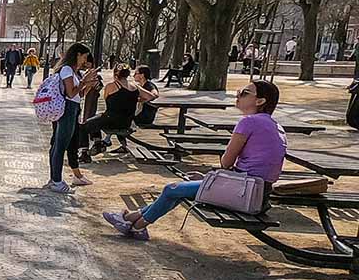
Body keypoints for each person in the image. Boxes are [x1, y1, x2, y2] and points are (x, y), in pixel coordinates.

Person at [103, 81, 286, 239]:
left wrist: (215, 176)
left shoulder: (248, 122)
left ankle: (136, 225)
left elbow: (226, 163)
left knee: (171, 189)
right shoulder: (275, 125)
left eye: (245, 93)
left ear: (260, 101)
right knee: (179, 191)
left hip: (244, 192)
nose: (238, 95)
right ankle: (133, 221)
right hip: (258, 194)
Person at [47, 43, 100, 193]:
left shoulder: (75, 72)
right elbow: (70, 93)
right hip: (67, 109)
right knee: (60, 145)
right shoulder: (67, 70)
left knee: (61, 143)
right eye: (84, 56)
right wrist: (84, 82)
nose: (85, 60)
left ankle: (54, 178)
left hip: (74, 108)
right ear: (77, 54)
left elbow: (79, 94)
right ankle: (56, 180)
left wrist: (88, 84)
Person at [80, 65, 142, 155]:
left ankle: (87, 151)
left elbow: (106, 99)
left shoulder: (111, 86)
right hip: (127, 121)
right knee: (96, 118)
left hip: (111, 120)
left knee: (85, 125)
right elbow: (150, 96)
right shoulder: (135, 87)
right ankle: (101, 144)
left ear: (115, 75)